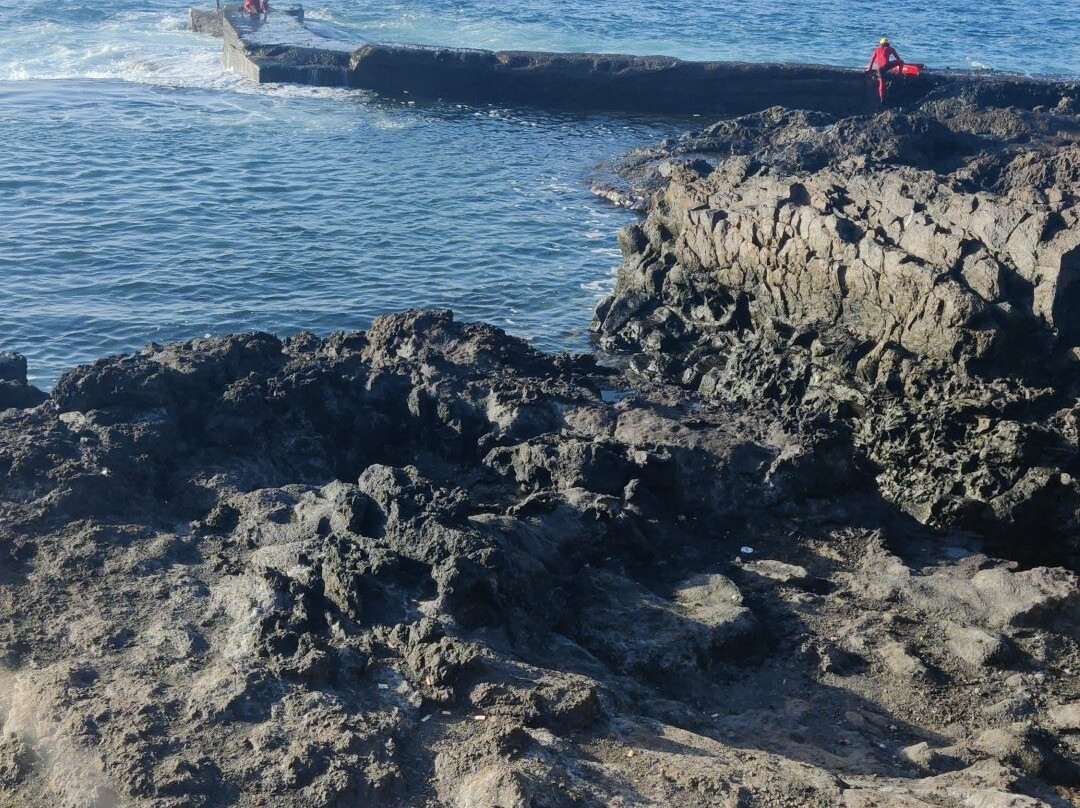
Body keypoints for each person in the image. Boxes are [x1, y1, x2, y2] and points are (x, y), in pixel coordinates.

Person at [866, 37, 904, 102]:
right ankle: (900, 74)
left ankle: (882, 99)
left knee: (881, 84)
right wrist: (896, 66)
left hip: (879, 69)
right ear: (887, 43)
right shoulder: (890, 48)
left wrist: (869, 68)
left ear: (880, 44)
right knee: (901, 62)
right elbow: (898, 59)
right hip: (887, 66)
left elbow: (872, 59)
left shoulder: (876, 49)